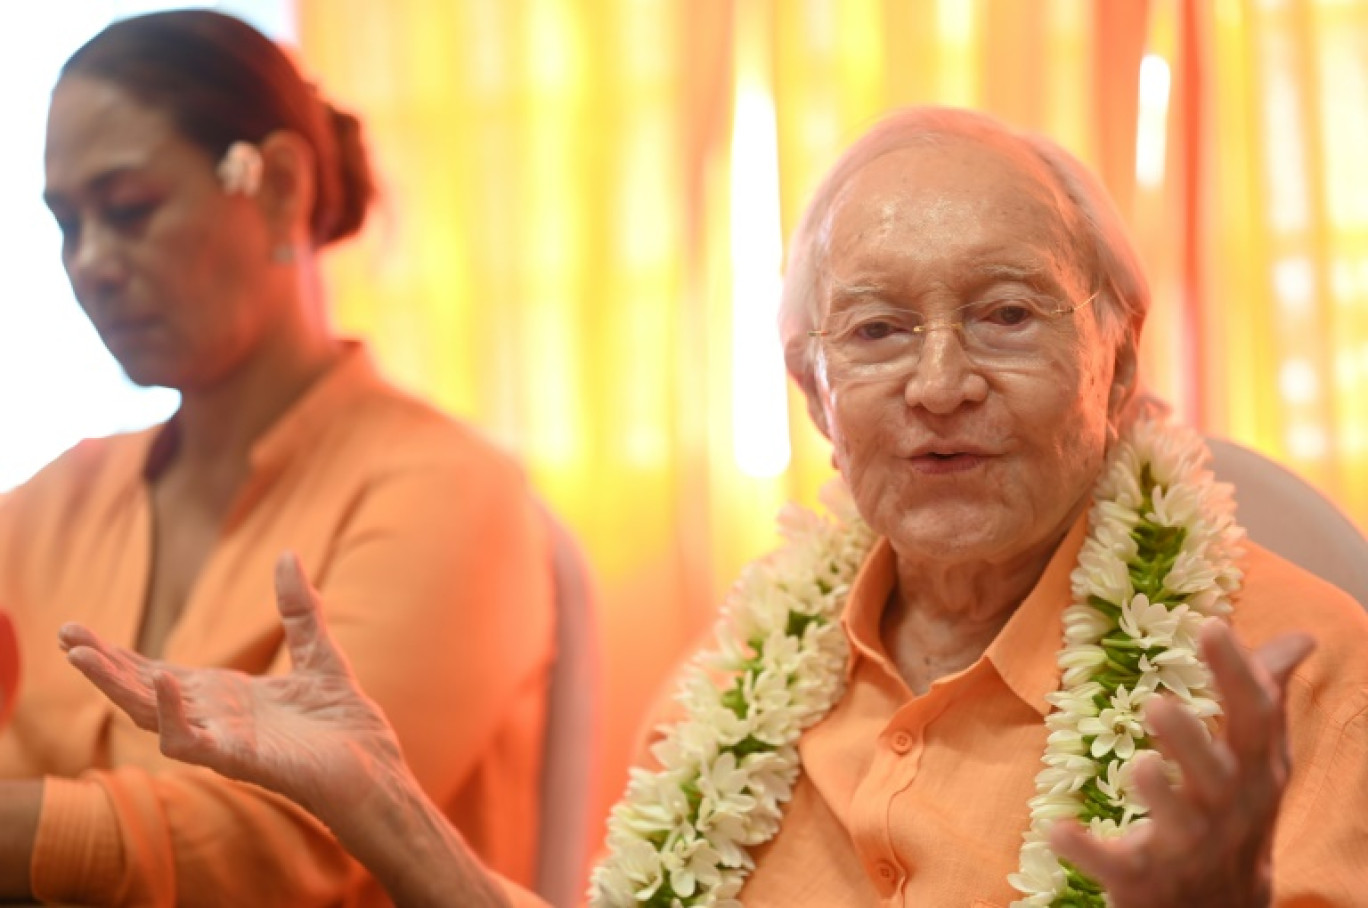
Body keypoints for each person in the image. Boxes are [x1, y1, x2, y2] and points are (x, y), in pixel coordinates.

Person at [62, 107, 1368, 906]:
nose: (939, 384)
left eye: (1007, 314)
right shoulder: (742, 682)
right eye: (874, 330)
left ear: (1121, 361)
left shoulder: (1293, 676)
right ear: (813, 393)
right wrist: (381, 803)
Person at [0, 10, 554, 906]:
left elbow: (283, 841)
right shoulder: (49, 506)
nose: (92, 262)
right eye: (67, 223)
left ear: (279, 188)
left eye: (130, 210)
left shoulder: (447, 492)